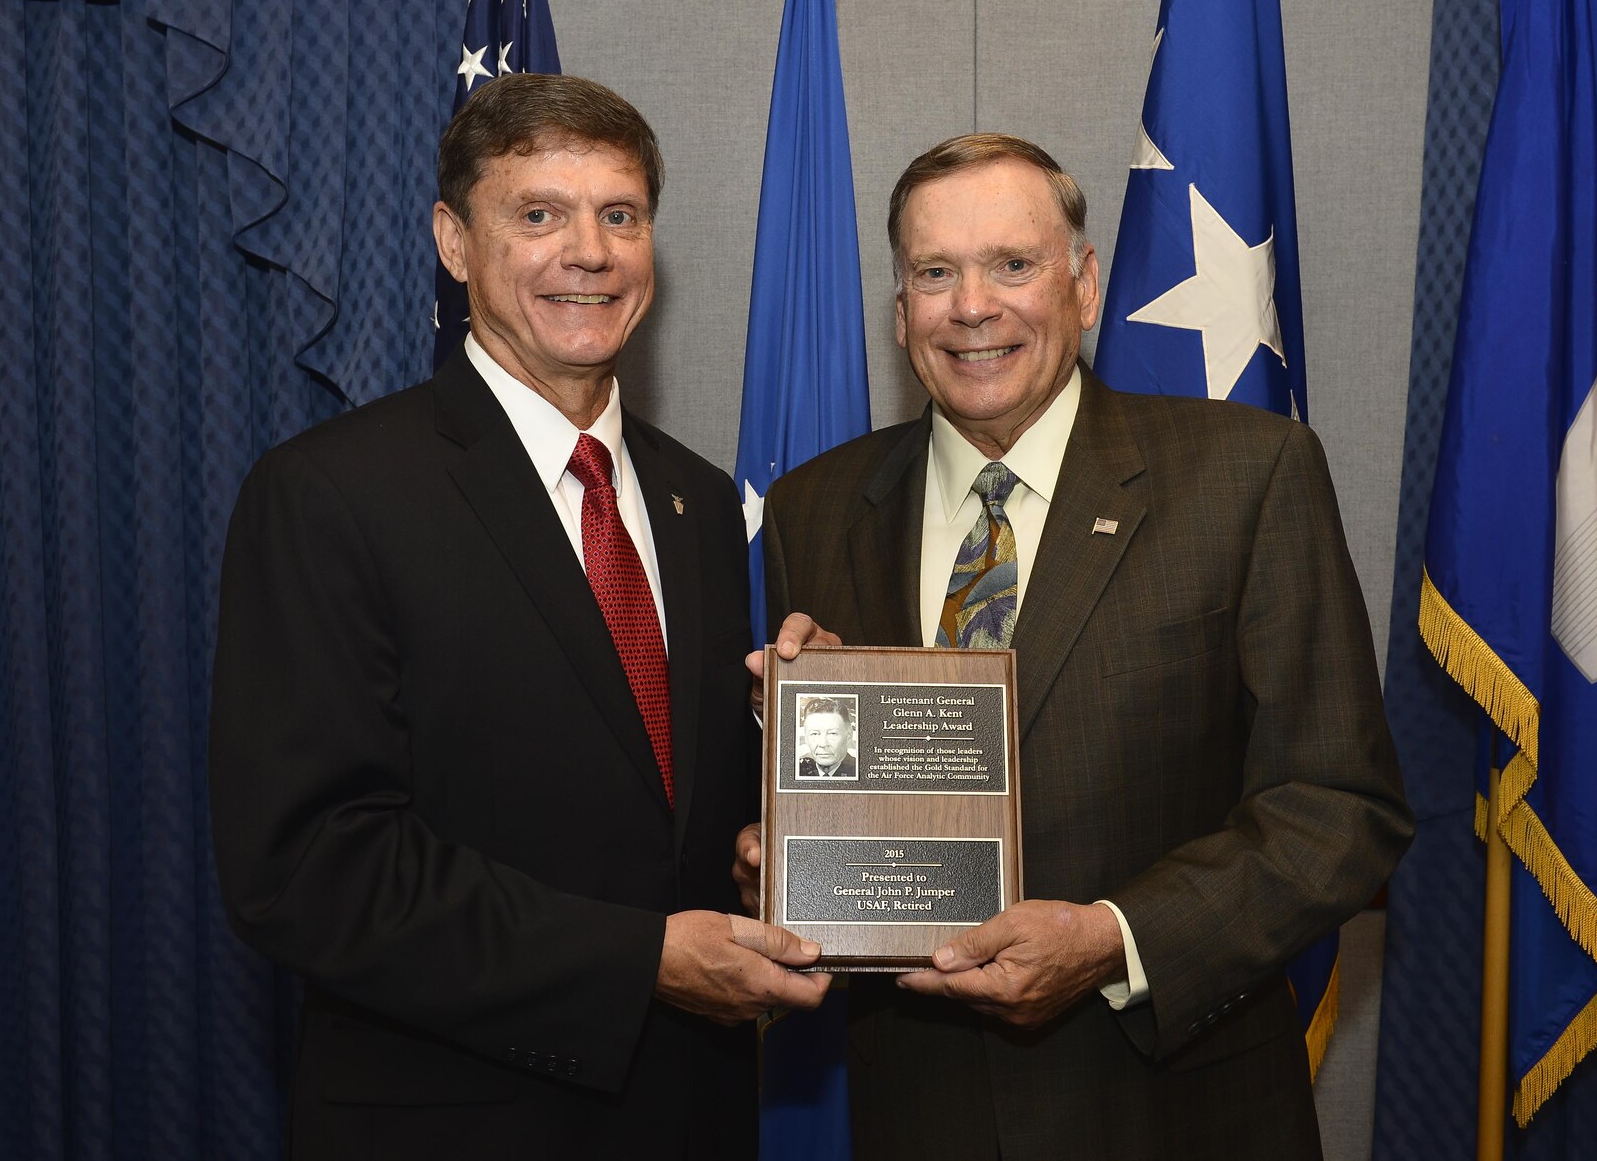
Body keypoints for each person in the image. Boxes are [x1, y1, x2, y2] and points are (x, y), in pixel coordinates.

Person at [737, 134, 1413, 1159]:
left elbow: (1338, 809)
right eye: (934, 272)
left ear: (1083, 284)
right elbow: (842, 818)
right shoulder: (812, 508)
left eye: (1013, 263)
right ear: (897, 310)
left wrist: (1112, 939)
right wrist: (786, 844)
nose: (972, 305)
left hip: (1171, 1112)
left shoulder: (1244, 475)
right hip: (918, 1114)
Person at [209, 73, 829, 1160]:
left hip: (690, 1115)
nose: (587, 251)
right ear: (453, 241)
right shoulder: (333, 492)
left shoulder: (695, 500)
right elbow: (306, 866)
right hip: (452, 1122)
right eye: (537, 213)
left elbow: (662, 818)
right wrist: (637, 961)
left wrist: (784, 803)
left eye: (619, 215)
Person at [795, 698, 857, 777]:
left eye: (832, 733)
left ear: (848, 736)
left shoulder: (858, 770)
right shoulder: (799, 771)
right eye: (814, 734)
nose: (823, 744)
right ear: (806, 737)